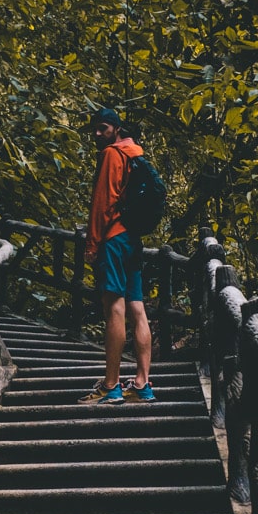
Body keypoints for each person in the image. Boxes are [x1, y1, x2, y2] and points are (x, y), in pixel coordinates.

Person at [80, 106, 155, 403]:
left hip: (113, 239)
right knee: (137, 309)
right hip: (132, 239)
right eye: (95, 129)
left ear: (115, 129)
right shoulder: (136, 153)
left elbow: (103, 203)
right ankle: (141, 385)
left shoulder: (114, 154)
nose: (98, 134)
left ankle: (111, 386)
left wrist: (92, 244)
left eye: (103, 128)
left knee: (115, 309)